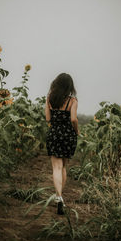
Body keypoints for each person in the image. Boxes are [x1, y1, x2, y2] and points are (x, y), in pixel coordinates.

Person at [45, 73, 79, 215]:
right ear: (69, 86)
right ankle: (60, 196)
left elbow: (48, 118)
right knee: (64, 167)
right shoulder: (73, 101)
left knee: (56, 168)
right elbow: (73, 119)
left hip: (54, 134)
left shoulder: (50, 99)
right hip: (68, 135)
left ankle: (58, 197)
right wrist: (77, 132)